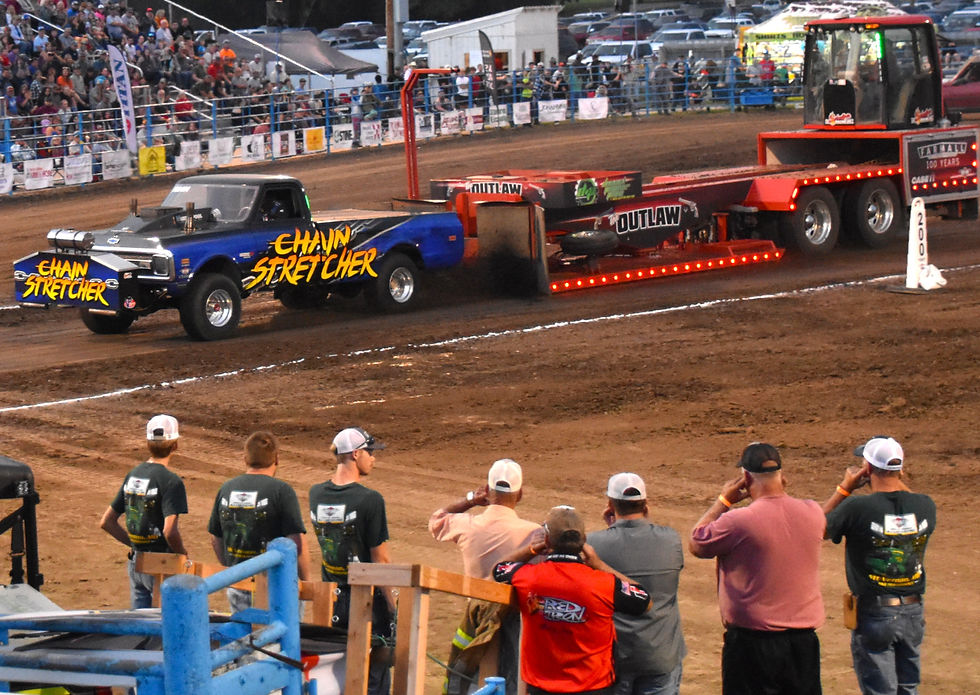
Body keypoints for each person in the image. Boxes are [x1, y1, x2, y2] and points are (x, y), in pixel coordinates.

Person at [689, 443, 825, 695]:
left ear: (746, 477)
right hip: (803, 644)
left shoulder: (739, 521)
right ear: (782, 476)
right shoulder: (813, 512)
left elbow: (698, 542)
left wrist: (724, 501)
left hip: (753, 644)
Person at [494, 505, 651, 695]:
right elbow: (644, 599)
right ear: (584, 541)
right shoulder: (604, 584)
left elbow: (500, 568)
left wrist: (532, 550)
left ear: (546, 540)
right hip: (594, 686)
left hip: (541, 687)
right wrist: (599, 564)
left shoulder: (528, 577)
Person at [822, 436, 936, 695]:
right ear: (901, 469)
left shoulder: (857, 507)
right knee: (908, 688)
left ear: (867, 468)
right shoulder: (926, 505)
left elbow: (816, 527)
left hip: (875, 612)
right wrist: (896, 477)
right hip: (913, 610)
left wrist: (844, 488)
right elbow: (907, 499)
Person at [429, 458, 540, 695]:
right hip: (515, 625)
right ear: (520, 494)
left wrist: (470, 500)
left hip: (475, 621)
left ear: (488, 491)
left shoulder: (468, 525)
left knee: (467, 683)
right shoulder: (534, 533)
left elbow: (436, 520)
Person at [309, 427, 395, 695]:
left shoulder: (316, 494)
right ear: (356, 454)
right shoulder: (370, 500)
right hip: (366, 600)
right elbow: (379, 559)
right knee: (375, 676)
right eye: (370, 452)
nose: (373, 458)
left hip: (332, 598)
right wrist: (393, 605)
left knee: (339, 673)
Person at [588, 473, 686, 695]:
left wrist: (612, 528)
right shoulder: (671, 539)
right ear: (645, 504)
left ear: (610, 505)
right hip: (660, 655)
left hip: (615, 658)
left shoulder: (594, 544)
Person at [208, 431, 311, 613]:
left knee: (243, 630)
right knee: (281, 631)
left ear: (245, 459)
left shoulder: (226, 489)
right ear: (276, 459)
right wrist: (305, 581)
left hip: (239, 585)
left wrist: (232, 572)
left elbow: (216, 538)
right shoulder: (282, 491)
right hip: (277, 587)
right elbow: (297, 543)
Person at [99, 414, 189, 609]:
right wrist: (182, 556)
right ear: (175, 446)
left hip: (136, 562)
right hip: (161, 565)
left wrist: (135, 544)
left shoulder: (133, 475)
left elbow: (107, 522)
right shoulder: (171, 481)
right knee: (164, 621)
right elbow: (169, 531)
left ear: (148, 444)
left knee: (140, 622)